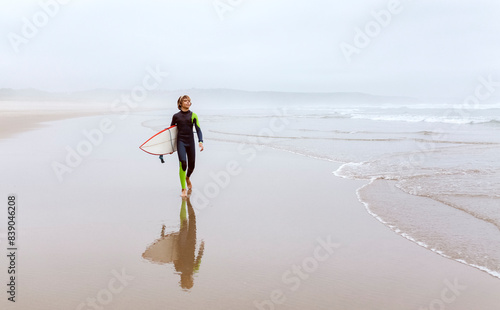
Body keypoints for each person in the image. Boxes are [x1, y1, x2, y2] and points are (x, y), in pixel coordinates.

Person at [170, 95, 204, 197]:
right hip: (181, 141)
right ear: (180, 104)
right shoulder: (176, 116)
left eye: (189, 101)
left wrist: (200, 141)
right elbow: (171, 132)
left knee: (192, 165)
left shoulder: (193, 115)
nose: (188, 102)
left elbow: (198, 129)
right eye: (185, 101)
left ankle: (187, 177)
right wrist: (171, 147)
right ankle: (183, 189)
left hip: (190, 142)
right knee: (183, 163)